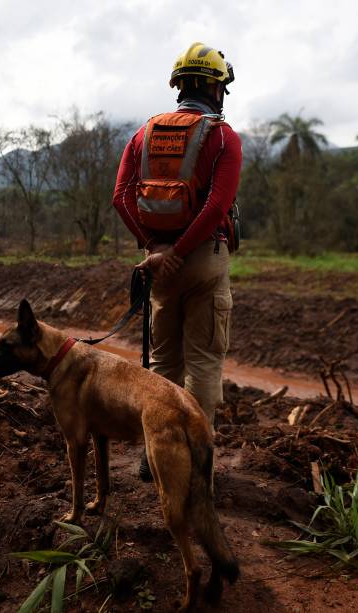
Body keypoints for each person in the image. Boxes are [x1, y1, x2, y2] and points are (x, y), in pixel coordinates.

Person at [112, 42, 242, 481]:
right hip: (203, 258)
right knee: (203, 361)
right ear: (214, 88)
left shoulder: (142, 134)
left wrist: (155, 249)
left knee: (163, 364)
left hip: (160, 264)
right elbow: (217, 206)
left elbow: (120, 196)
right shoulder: (223, 137)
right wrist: (182, 252)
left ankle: (156, 456)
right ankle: (198, 463)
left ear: (179, 85)